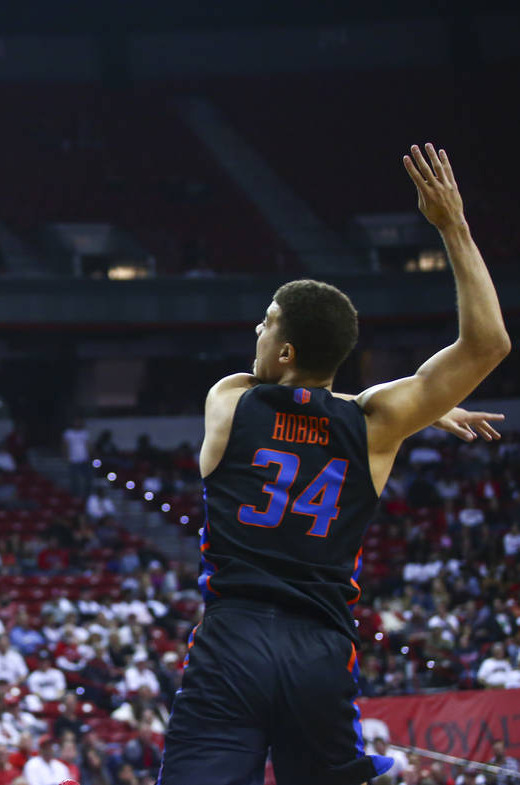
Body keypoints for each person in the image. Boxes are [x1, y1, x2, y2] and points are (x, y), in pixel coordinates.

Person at [158, 145, 511, 785]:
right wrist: (452, 225)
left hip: (233, 639)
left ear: (285, 347)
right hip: (320, 648)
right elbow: (488, 344)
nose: (257, 332)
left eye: (266, 324)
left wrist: (421, 410)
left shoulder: (229, 400)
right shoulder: (375, 426)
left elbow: (294, 404)